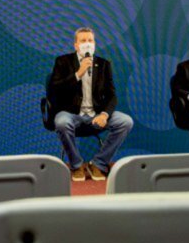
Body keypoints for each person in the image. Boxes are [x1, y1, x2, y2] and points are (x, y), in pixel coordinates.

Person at [48, 27, 134, 182]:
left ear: (94, 44)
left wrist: (104, 114)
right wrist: (78, 74)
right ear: (76, 45)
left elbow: (112, 95)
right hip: (71, 114)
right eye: (83, 41)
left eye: (90, 40)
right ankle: (76, 165)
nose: (87, 44)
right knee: (61, 122)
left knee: (125, 121)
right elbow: (54, 89)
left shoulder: (103, 64)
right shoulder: (62, 61)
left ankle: (98, 163)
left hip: (96, 114)